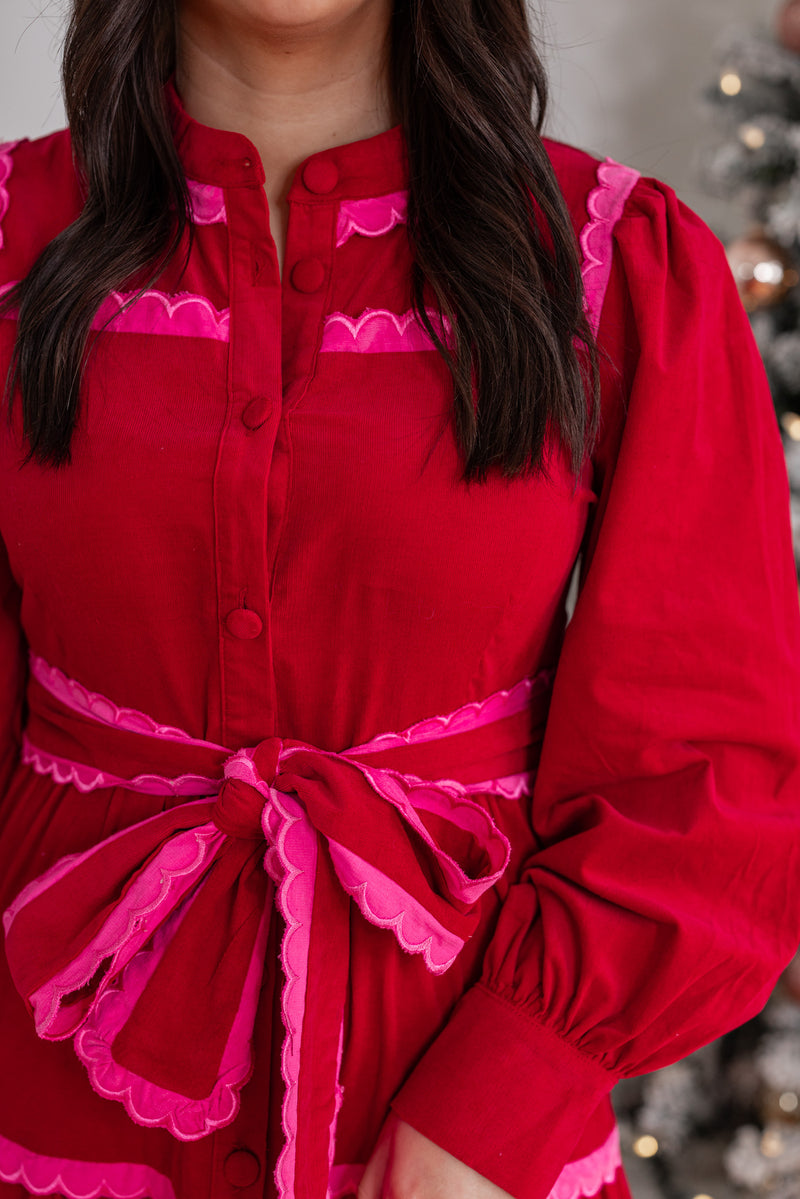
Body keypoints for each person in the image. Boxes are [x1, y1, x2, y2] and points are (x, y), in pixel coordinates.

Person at [1, 1, 799, 1198]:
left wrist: (501, 1096)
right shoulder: (14, 238)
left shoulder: (616, 260)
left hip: (458, 1143)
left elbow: (706, 765)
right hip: (46, 1101)